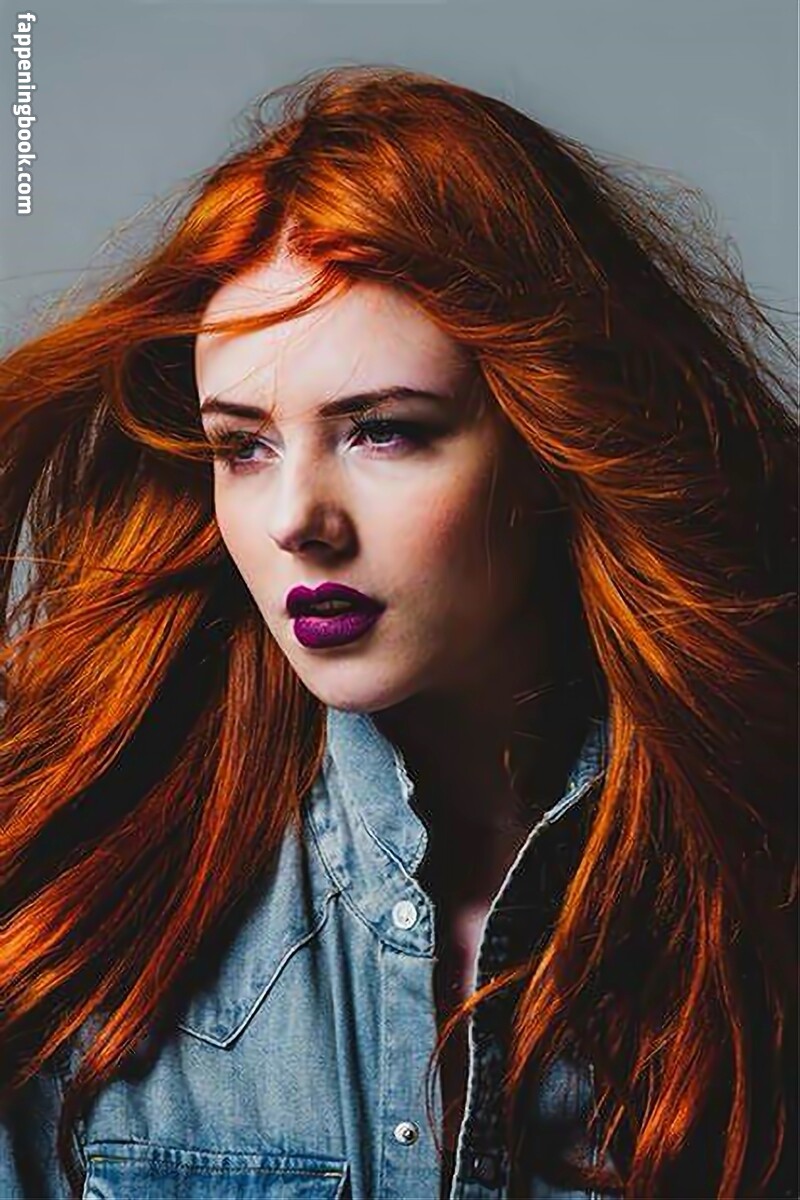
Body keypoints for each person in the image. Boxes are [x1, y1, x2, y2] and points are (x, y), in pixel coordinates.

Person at [0, 63, 796, 1200]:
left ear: (550, 437)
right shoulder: (77, 906)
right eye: (243, 446)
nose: (296, 521)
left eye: (381, 430)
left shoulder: (755, 891)